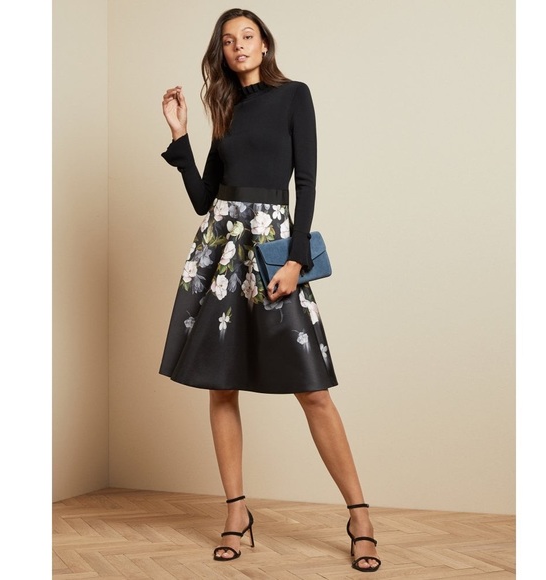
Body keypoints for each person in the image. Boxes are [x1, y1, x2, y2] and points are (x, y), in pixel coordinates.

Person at [159, 7, 381, 573]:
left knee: (312, 389)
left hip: (272, 247)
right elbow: (205, 197)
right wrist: (181, 136)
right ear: (221, 51)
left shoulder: (294, 96)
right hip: (221, 248)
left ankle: (359, 516)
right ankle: (236, 512)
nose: (239, 46)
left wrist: (296, 257)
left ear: (264, 44)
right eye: (228, 40)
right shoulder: (224, 107)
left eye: (248, 36)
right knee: (221, 385)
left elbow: (306, 181)